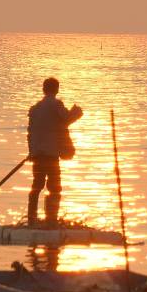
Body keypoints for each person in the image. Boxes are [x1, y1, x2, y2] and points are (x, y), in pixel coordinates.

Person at [26, 77, 84, 227]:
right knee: (54, 187)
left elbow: (30, 133)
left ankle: (32, 218)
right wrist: (76, 113)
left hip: (37, 155)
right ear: (56, 90)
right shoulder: (57, 105)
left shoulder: (35, 108)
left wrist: (31, 152)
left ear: (44, 90)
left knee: (36, 186)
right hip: (51, 156)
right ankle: (51, 220)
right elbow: (66, 120)